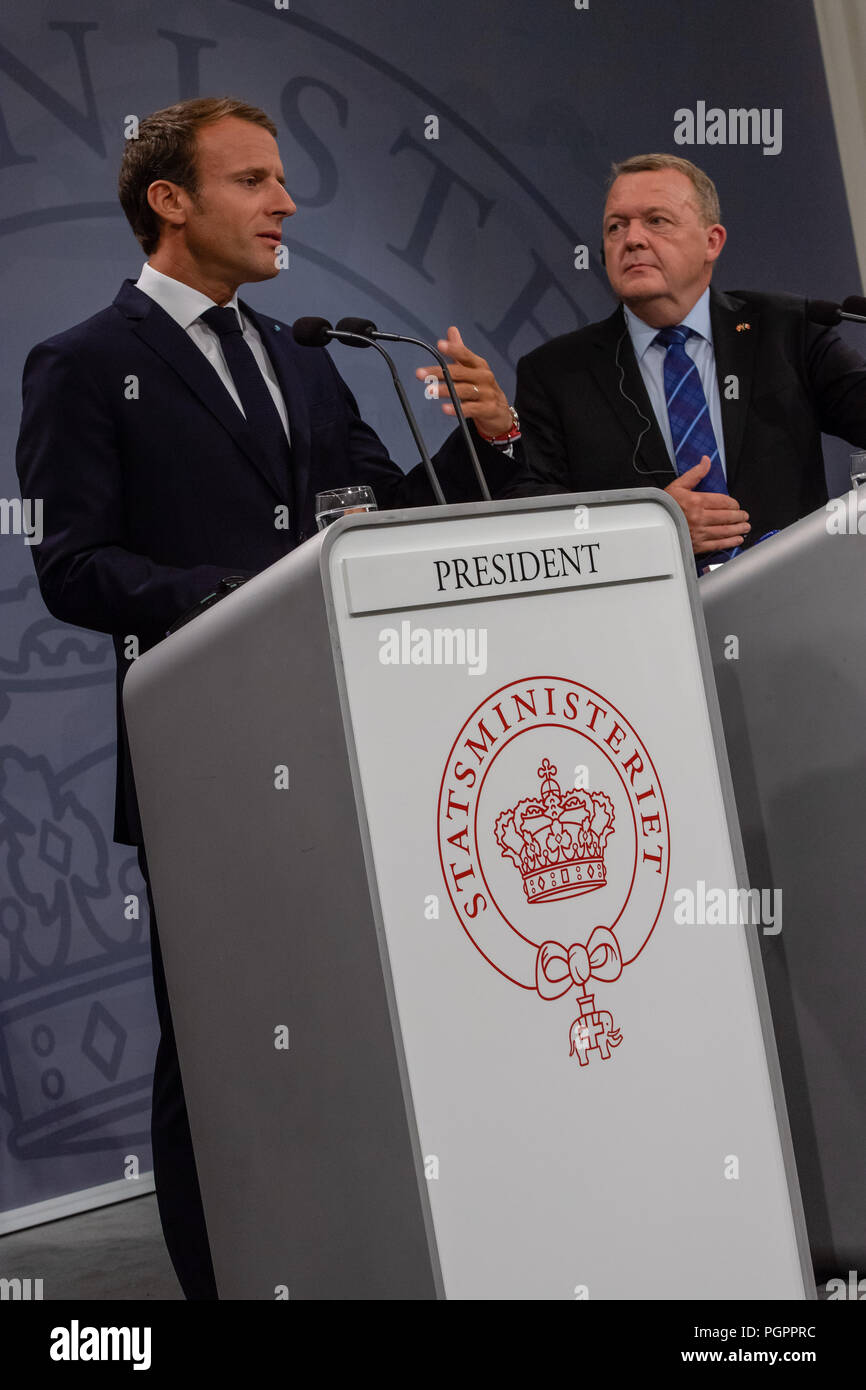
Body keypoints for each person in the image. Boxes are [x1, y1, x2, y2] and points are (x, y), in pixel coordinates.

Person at [14, 96, 522, 1300]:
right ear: (170, 203)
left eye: (281, 180)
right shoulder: (84, 365)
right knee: (219, 1051)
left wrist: (487, 440)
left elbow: (381, 518)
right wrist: (231, 595)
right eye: (253, 181)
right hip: (210, 761)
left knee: (361, 1025)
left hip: (351, 745)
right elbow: (70, 566)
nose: (286, 202)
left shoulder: (303, 355)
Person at [505, 152, 866, 559]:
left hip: (793, 604)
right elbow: (530, 509)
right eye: (615, 227)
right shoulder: (556, 373)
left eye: (656, 221)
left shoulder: (784, 330)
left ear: (712, 241)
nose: (633, 239)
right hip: (643, 612)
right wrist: (648, 529)